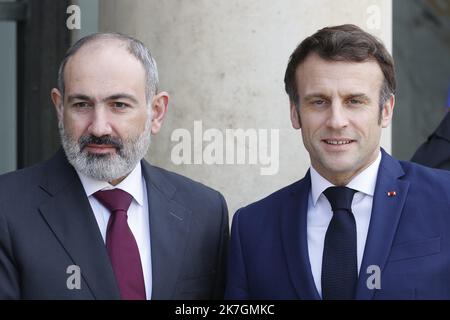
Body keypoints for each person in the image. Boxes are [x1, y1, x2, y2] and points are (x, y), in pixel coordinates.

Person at [225, 24, 450, 300]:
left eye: (354, 101)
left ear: (386, 111)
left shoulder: (444, 199)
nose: (336, 121)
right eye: (318, 102)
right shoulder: (252, 227)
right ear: (295, 113)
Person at [0, 33, 229, 300]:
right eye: (82, 104)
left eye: (119, 105)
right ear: (60, 109)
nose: (99, 127)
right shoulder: (7, 208)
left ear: (156, 112)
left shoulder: (205, 211)